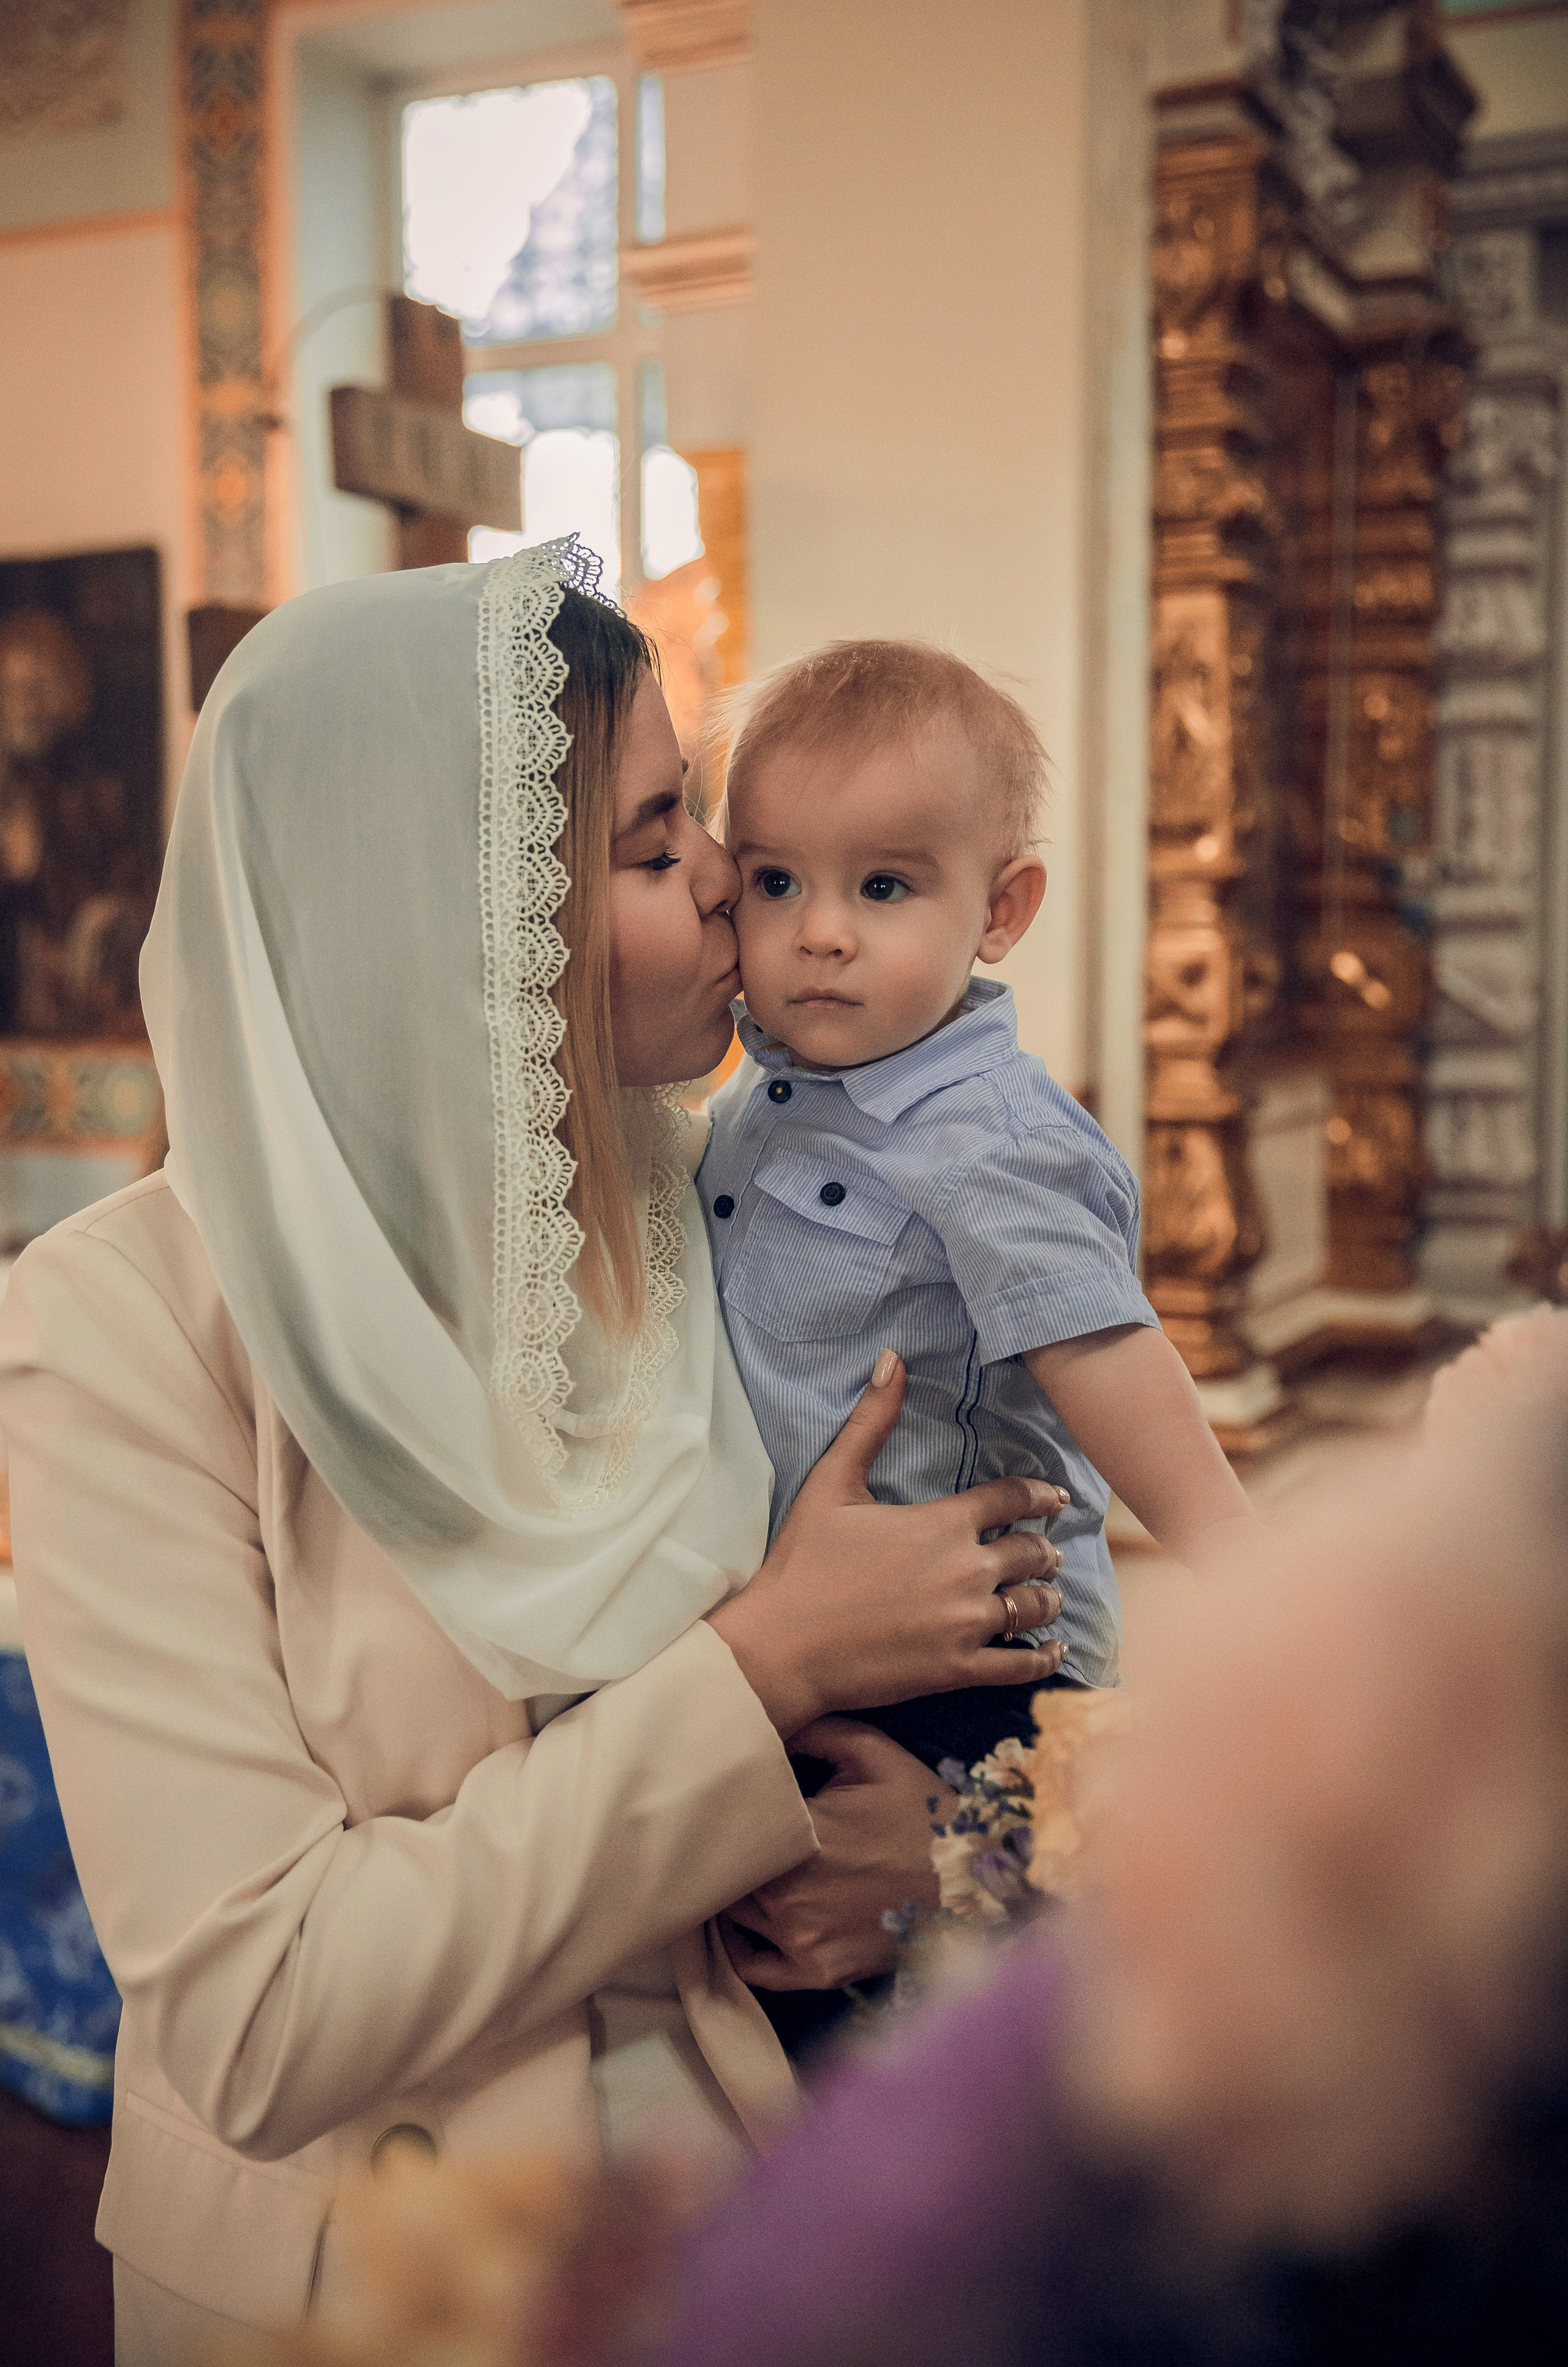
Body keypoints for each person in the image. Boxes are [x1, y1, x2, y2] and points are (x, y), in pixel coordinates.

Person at [0, 542, 1068, 2363]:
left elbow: (1004, 1621)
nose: (730, 879)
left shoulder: (716, 1207)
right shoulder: (122, 1322)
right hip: (374, 2281)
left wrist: (946, 1861)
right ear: (453, 926)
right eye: (653, 849)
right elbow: (265, 2014)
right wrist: (758, 1669)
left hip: (747, 2198)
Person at [701, 640, 1257, 1784]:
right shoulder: (770, 1081)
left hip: (965, 1661)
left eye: (883, 887)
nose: (820, 932)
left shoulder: (990, 1140)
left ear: (1001, 910)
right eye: (776, 882)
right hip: (810, 1623)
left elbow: (1107, 1356)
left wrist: (1249, 1572)